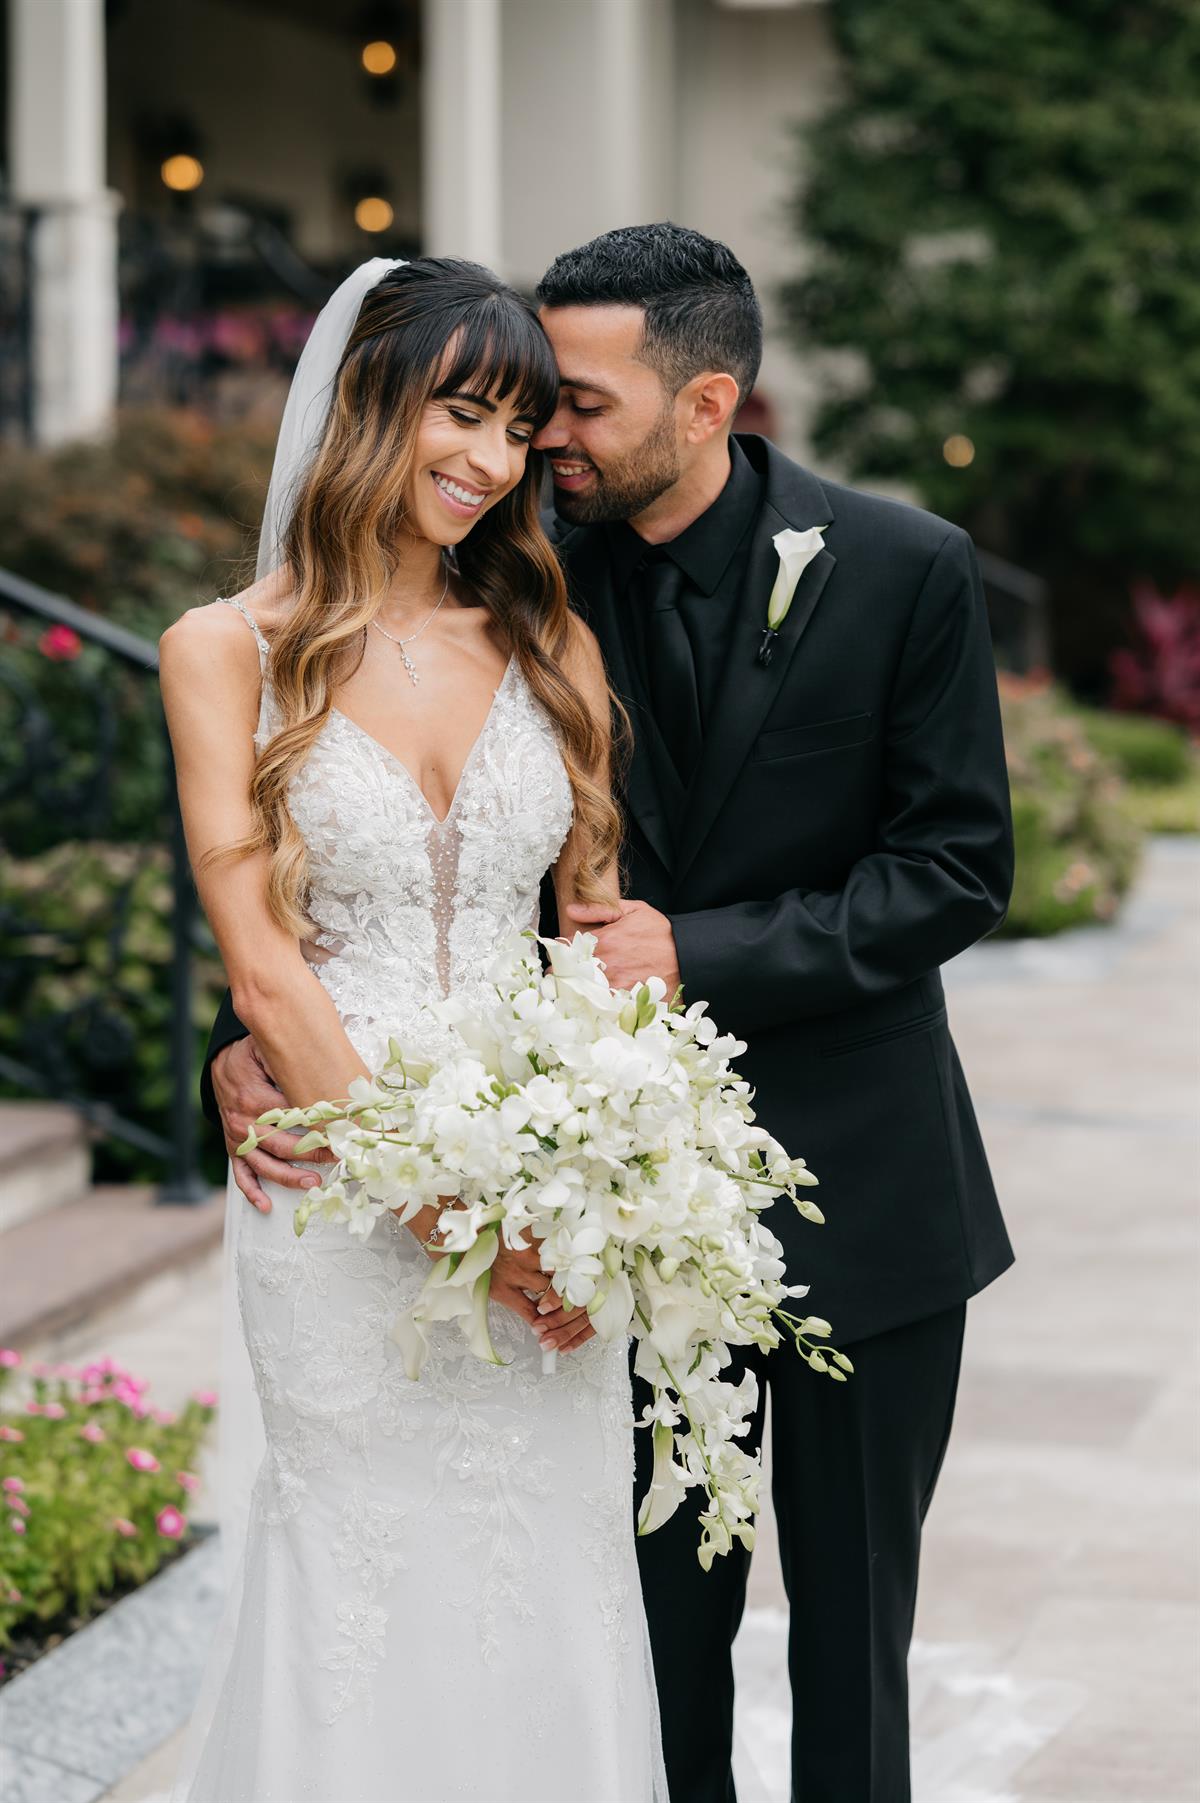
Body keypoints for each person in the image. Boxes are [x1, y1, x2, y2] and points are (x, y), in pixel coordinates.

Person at [205, 223, 1015, 1803]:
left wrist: (691, 953)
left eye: (570, 405)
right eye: (519, 409)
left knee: (854, 1652)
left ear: (706, 404)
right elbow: (372, 859)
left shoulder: (904, 567)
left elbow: (955, 870)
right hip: (583, 1219)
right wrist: (245, 1050)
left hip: (864, 1187)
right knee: (642, 1649)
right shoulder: (516, 582)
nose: (538, 442)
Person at [160, 255, 668, 1803]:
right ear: (365, 398)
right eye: (462, 412)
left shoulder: (549, 642)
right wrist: (458, 1226)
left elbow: (596, 942)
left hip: (543, 1191)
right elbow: (266, 975)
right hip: (334, 1193)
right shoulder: (225, 651)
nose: (493, 460)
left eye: (518, 428)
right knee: (360, 1572)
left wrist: (601, 1189)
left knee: (551, 1566)